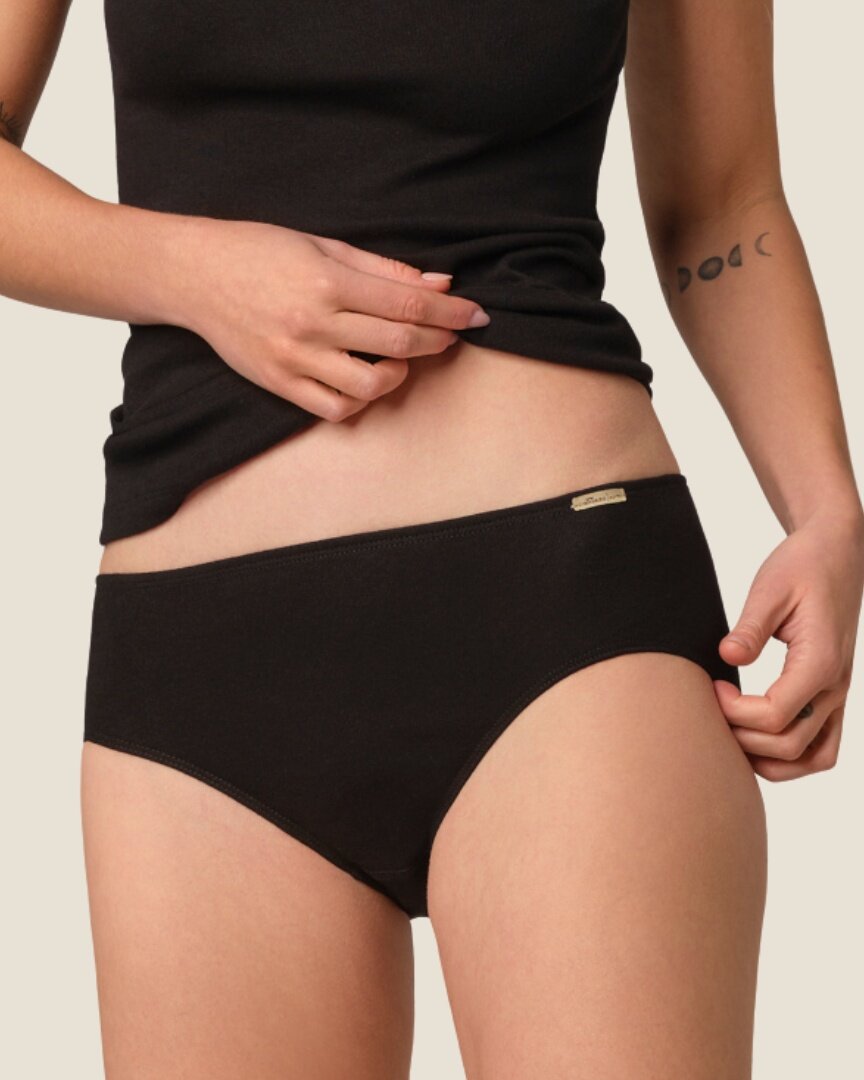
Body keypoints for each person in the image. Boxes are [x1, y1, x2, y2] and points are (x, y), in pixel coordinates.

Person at [2, 0, 862, 1076]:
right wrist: (198, 274)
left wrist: (827, 513)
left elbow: (722, 203)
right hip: (202, 675)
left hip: (566, 620)